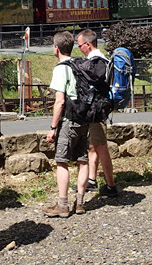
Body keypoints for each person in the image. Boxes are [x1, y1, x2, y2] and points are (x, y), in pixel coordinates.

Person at [43, 31, 90, 217]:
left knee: (61, 161)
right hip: (84, 119)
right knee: (82, 160)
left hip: (69, 121)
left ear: (56, 48)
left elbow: (60, 101)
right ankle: (80, 203)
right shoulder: (81, 65)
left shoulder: (61, 69)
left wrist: (53, 128)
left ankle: (63, 205)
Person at [75, 29, 118, 197]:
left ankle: (111, 186)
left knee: (101, 147)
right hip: (99, 109)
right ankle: (92, 180)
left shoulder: (96, 62)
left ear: (87, 44)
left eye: (79, 46)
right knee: (93, 145)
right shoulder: (103, 59)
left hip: (96, 111)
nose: (78, 49)